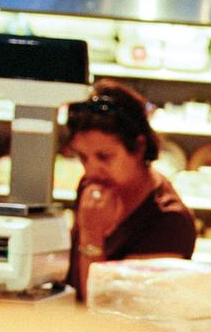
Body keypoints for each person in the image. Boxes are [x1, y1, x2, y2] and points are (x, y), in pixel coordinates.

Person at [63, 81, 197, 296]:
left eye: (104, 157)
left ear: (139, 147)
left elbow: (110, 305)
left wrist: (91, 237)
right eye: (83, 157)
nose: (91, 171)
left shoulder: (170, 220)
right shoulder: (91, 187)